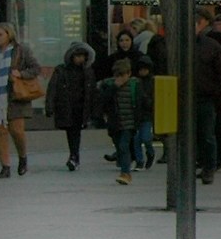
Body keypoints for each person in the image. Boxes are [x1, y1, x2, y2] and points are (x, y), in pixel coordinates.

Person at [0, 22, 42, 178]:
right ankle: (5, 166)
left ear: (9, 34)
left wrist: (20, 74)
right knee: (0, 133)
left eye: (0, 34)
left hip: (14, 97)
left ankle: (23, 157)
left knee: (17, 131)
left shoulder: (20, 50)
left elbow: (36, 68)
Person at [192, 9, 221, 185]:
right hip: (186, 96)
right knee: (192, 135)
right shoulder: (180, 44)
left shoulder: (211, 46)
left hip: (205, 96)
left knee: (207, 134)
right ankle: (199, 164)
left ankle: (209, 167)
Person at [92, 54, 149, 186]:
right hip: (115, 124)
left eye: (122, 75)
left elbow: (144, 102)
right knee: (119, 148)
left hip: (129, 124)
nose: (119, 79)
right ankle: (125, 167)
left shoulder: (135, 86)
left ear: (128, 74)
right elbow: (102, 101)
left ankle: (125, 173)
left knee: (124, 146)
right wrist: (113, 88)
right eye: (117, 75)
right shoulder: (109, 86)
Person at [46, 42, 96, 173]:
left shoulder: (88, 72)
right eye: (77, 56)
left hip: (81, 107)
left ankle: (74, 156)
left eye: (82, 56)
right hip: (66, 106)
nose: (80, 59)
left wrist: (95, 110)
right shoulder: (61, 70)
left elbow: (93, 93)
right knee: (71, 131)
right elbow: (52, 88)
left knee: (75, 131)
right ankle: (74, 156)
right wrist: (49, 106)